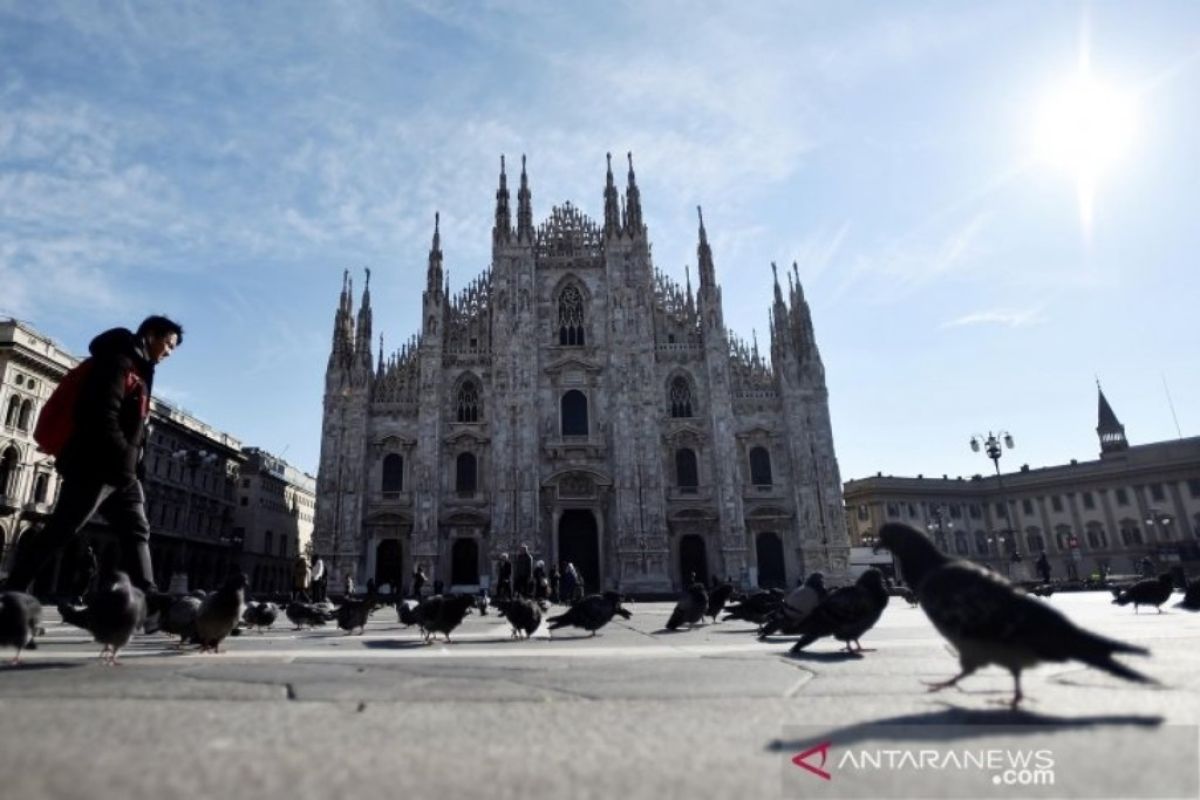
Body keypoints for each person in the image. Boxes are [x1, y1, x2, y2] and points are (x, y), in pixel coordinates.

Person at [3, 316, 182, 596]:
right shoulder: (117, 362)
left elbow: (135, 428)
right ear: (150, 335)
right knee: (61, 530)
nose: (169, 352)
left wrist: (136, 466)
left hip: (121, 471)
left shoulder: (139, 369)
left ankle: (149, 599)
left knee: (137, 530)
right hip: (94, 465)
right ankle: (13, 591)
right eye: (168, 344)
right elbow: (101, 415)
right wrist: (124, 456)